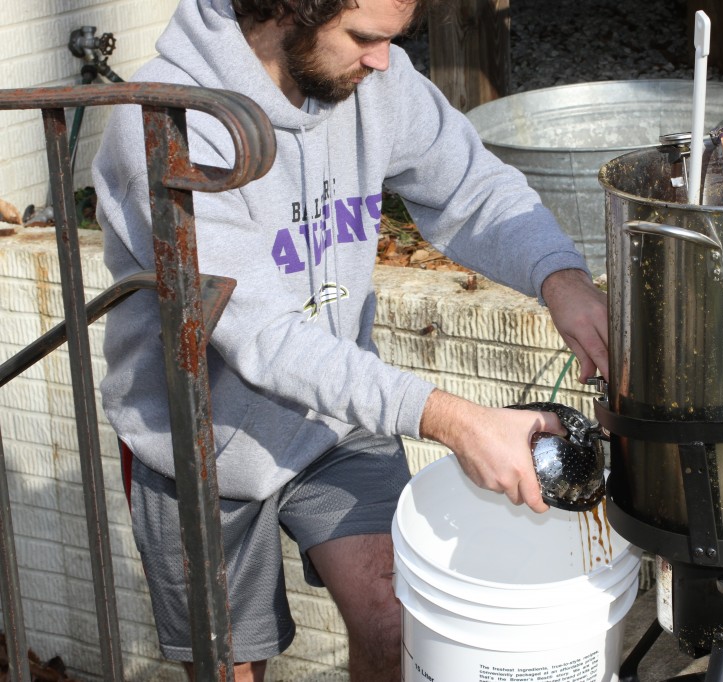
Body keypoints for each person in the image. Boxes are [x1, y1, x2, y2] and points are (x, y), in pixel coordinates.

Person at [92, 0, 609, 679]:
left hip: (338, 421)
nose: (384, 60)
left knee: (399, 626)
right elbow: (264, 337)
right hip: (199, 442)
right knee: (229, 669)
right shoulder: (162, 126)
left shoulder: (377, 80)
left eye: (393, 39)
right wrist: (454, 420)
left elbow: (472, 187)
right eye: (365, 38)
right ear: (288, 10)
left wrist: (562, 279)